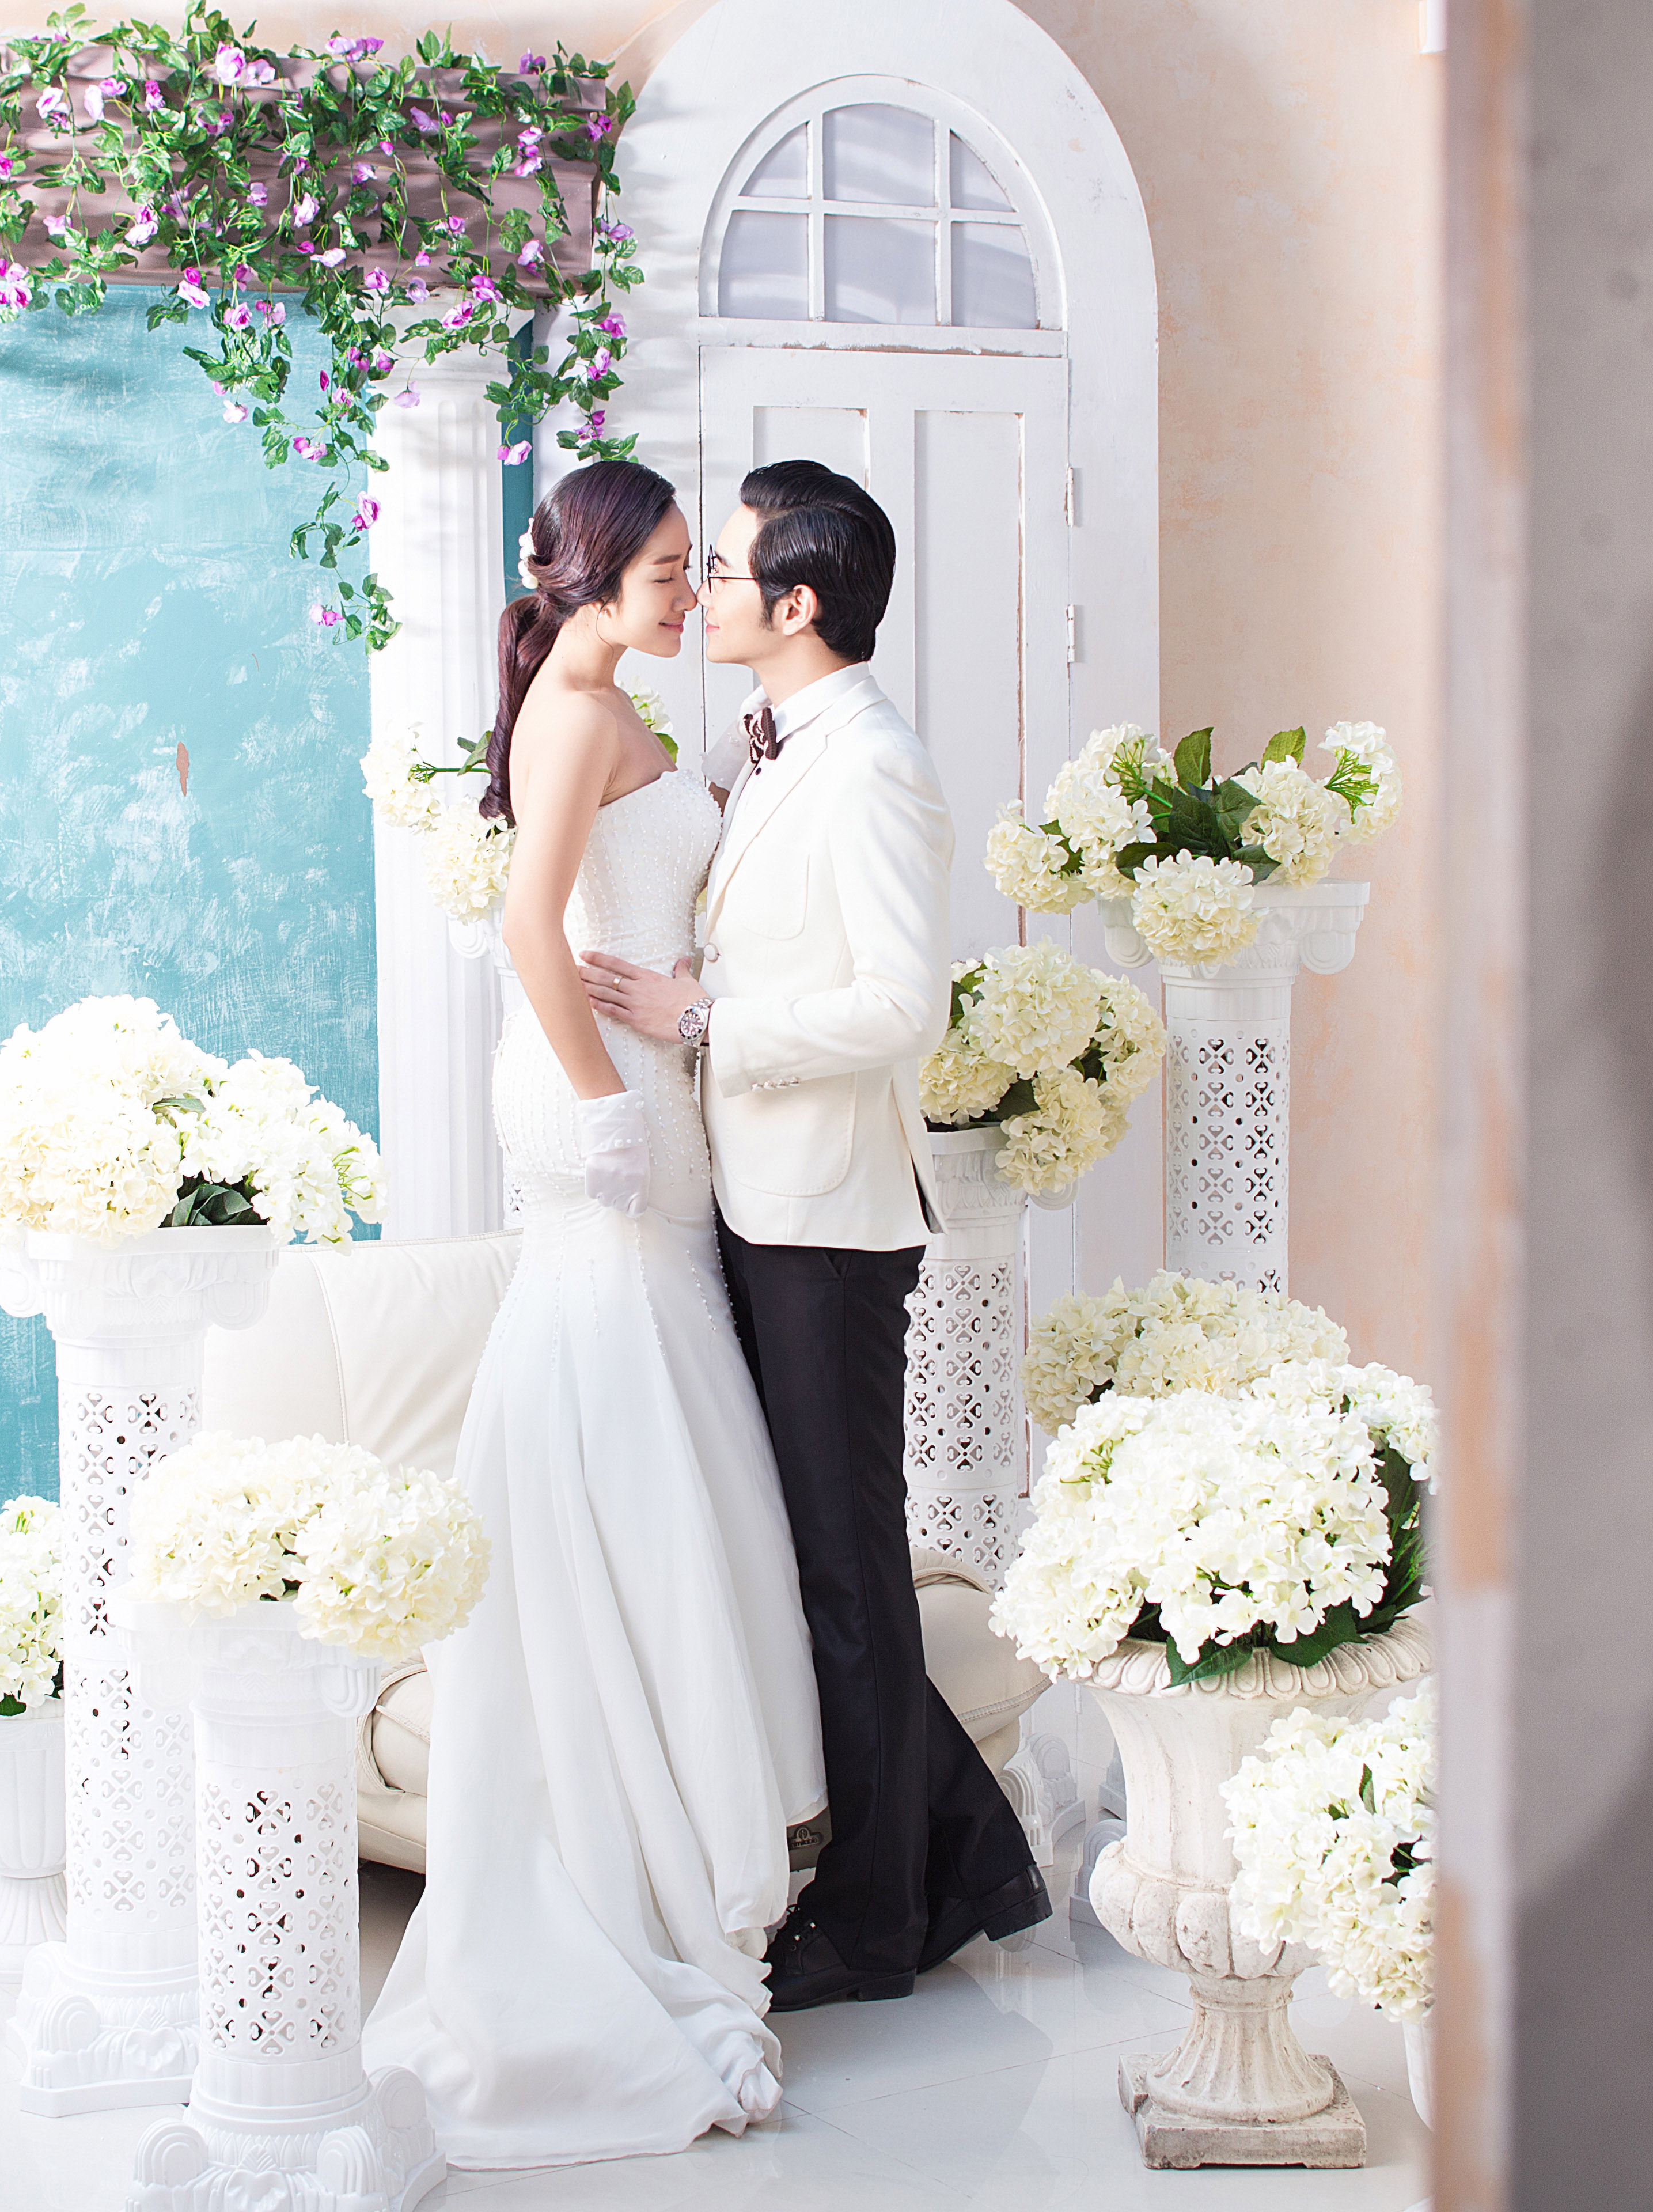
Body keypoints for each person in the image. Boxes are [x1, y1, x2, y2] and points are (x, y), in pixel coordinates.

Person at [361, 460, 825, 2165]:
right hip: (598, 1096)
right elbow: (526, 931)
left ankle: (684, 1806)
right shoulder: (570, 714)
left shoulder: (615, 702)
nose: (691, 593)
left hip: (644, 1084)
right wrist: (605, 1100)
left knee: (658, 1401)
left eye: (699, 570)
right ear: (594, 579)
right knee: (621, 1390)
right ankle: (626, 1850)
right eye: (669, 571)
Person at [582, 460, 1049, 2010]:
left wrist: (702, 1019)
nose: (700, 592)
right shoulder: (778, 741)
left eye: (720, 571)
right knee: (802, 1554)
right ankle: (959, 1865)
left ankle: (874, 1924)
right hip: (753, 1195)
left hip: (831, 1222)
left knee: (846, 1568)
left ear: (795, 603)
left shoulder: (875, 767)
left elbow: (899, 1008)